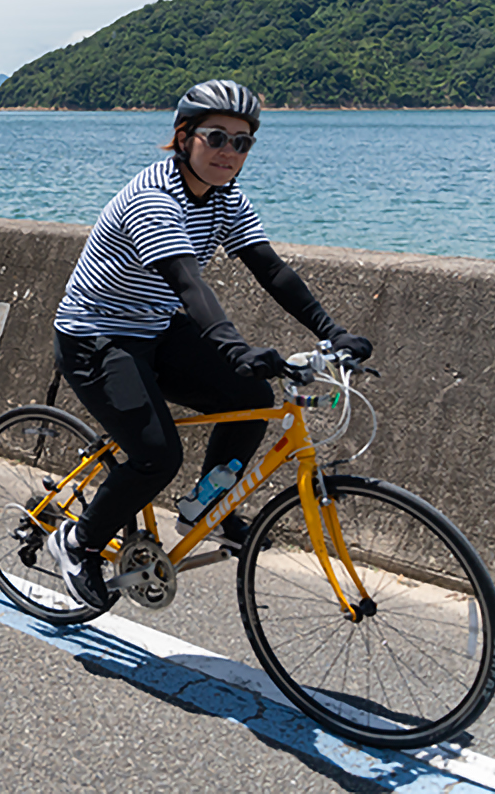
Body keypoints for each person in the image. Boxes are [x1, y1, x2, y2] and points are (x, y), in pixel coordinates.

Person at [47, 79, 373, 611]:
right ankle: (78, 542)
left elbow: (270, 268)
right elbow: (187, 283)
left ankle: (205, 506)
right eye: (216, 137)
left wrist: (331, 330)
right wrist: (233, 346)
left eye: (242, 143)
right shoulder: (153, 198)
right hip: (97, 335)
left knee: (249, 400)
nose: (229, 153)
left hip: (154, 326)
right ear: (183, 136)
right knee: (155, 455)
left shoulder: (227, 199)